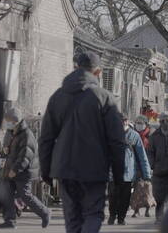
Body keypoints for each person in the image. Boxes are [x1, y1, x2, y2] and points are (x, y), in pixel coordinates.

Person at [39, 51, 126, 233]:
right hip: (94, 170)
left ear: (76, 68)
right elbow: (117, 141)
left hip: (65, 169)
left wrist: (46, 170)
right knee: (93, 214)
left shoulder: (57, 97)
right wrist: (118, 175)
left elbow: (46, 138)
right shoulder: (104, 98)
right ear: (98, 72)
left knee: (72, 218)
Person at [0, 108, 50, 229]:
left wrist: (15, 170)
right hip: (11, 169)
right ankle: (10, 220)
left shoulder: (26, 135)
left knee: (25, 195)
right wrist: (6, 149)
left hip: (23, 172)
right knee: (7, 192)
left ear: (15, 121)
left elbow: (25, 157)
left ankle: (45, 212)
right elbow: (10, 149)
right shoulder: (12, 132)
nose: (6, 123)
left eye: (8, 120)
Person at [108, 115, 152, 225]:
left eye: (124, 121)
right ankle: (112, 215)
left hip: (128, 173)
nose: (122, 123)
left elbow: (142, 156)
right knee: (113, 196)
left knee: (125, 197)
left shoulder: (134, 136)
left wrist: (146, 173)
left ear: (127, 121)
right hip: (113, 172)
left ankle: (121, 218)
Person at [131, 115, 155, 218]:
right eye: (137, 123)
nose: (139, 125)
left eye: (141, 123)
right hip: (135, 165)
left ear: (146, 124)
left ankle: (148, 209)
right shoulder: (133, 135)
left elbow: (155, 151)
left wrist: (153, 165)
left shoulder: (152, 136)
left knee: (148, 189)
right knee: (136, 189)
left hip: (149, 165)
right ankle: (136, 210)